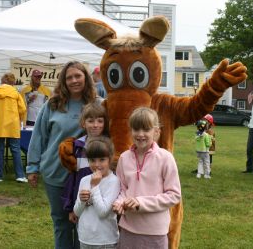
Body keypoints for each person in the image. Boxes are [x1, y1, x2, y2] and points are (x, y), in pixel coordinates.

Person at [26, 61, 97, 249]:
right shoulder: (53, 105)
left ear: (86, 77)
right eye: (69, 77)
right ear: (63, 82)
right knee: (62, 224)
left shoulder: (97, 104)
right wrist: (32, 167)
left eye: (78, 76)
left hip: (87, 174)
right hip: (55, 173)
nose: (74, 81)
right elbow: (39, 136)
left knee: (85, 223)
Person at [112, 107, 181, 249]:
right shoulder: (124, 158)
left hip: (155, 231)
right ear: (131, 131)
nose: (140, 134)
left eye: (146, 129)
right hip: (128, 228)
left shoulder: (165, 158)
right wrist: (119, 202)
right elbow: (121, 189)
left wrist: (140, 202)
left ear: (156, 132)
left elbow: (174, 195)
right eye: (136, 129)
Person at [60, 103, 109, 248]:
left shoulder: (109, 146)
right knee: (81, 239)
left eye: (100, 121)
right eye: (91, 121)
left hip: (103, 204)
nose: (95, 125)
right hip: (82, 204)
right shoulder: (77, 147)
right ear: (83, 123)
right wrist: (71, 208)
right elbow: (73, 179)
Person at [74, 136, 120, 249]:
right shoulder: (84, 180)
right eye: (92, 160)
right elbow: (77, 212)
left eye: (102, 159)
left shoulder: (114, 181)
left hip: (105, 240)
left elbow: (103, 212)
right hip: (85, 237)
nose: (97, 164)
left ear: (110, 159)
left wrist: (94, 186)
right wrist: (81, 200)